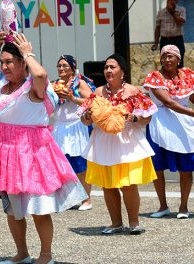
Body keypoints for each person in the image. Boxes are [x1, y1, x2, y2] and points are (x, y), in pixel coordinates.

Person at [0, 30, 87, 264]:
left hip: (32, 150)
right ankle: (22, 253)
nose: (3, 67)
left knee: (38, 206)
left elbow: (42, 73)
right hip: (5, 150)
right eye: (2, 62)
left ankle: (46, 255)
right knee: (13, 209)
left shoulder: (33, 86)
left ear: (23, 64)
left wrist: (28, 52)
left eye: (9, 62)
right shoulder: (0, 84)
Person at [80, 54, 158, 235]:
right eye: (106, 67)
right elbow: (84, 120)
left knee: (128, 184)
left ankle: (134, 223)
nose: (108, 70)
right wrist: (88, 116)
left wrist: (134, 117)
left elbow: (147, 118)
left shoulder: (133, 91)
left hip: (127, 141)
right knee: (108, 185)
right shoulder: (98, 92)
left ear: (122, 72)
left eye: (112, 67)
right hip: (103, 140)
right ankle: (115, 223)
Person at [143, 45, 194, 219]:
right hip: (161, 124)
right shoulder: (155, 77)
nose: (166, 60)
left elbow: (191, 97)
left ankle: (183, 207)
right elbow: (169, 103)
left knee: (186, 167)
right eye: (164, 56)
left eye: (170, 56)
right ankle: (163, 206)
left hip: (184, 125)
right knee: (158, 167)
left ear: (178, 59)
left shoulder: (188, 75)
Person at [52, 55, 96, 211]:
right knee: (61, 164)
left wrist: (72, 98)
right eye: (59, 65)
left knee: (80, 164)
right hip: (59, 127)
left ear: (72, 67)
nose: (61, 68)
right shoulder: (54, 85)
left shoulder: (80, 83)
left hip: (76, 125)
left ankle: (86, 198)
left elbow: (92, 100)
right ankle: (67, 198)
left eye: (65, 65)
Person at [151, 0, 186, 67]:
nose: (170, 1)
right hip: (165, 40)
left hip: (177, 40)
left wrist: (172, 12)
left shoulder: (181, 10)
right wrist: (156, 43)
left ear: (176, 1)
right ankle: (166, 77)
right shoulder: (161, 12)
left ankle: (178, 76)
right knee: (165, 62)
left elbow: (180, 22)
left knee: (179, 61)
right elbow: (158, 28)